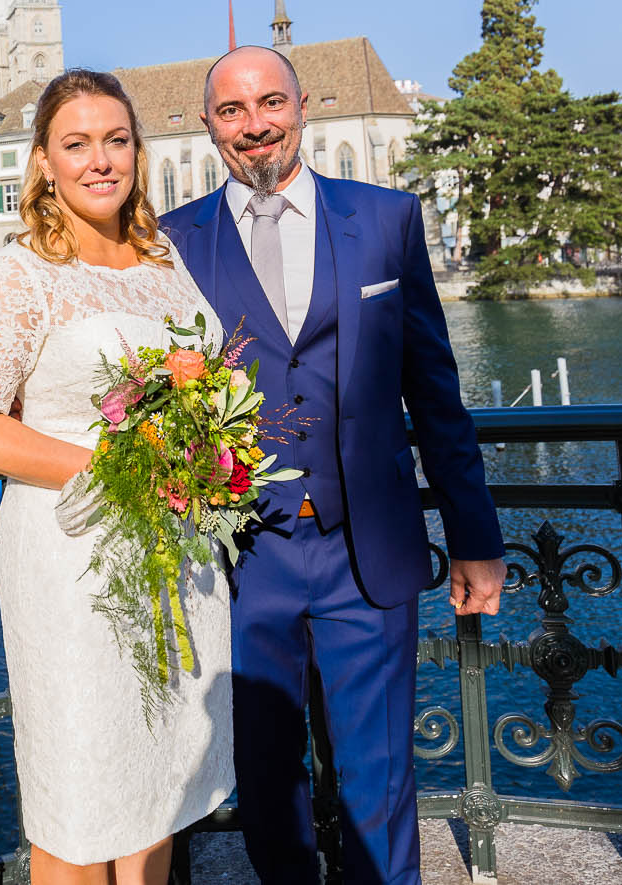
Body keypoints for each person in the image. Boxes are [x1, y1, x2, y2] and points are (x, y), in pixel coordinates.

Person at [161, 46, 505, 884]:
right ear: (209, 125)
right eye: (233, 112)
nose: (255, 126)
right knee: (268, 785)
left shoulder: (387, 218)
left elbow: (435, 390)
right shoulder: (171, 244)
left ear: (302, 106)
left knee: (381, 779)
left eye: (269, 102)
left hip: (368, 552)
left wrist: (475, 536)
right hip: (242, 562)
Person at [0, 69, 231, 885]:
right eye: (77, 144)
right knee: (79, 792)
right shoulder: (21, 271)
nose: (100, 160)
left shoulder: (161, 257)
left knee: (157, 781)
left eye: (116, 140)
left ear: (136, 152)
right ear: (44, 163)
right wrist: (121, 468)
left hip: (178, 554)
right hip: (77, 563)